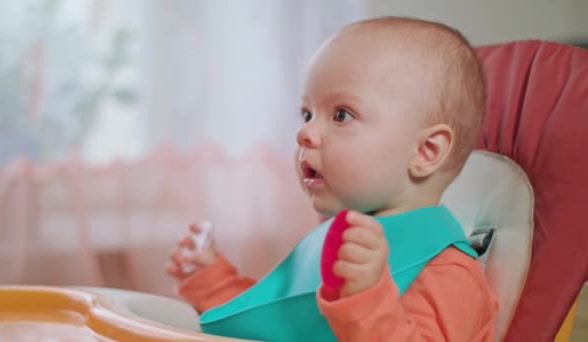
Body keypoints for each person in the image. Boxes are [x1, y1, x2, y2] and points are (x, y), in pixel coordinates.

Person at [166, 16, 499, 341]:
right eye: (307, 113)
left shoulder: (450, 274)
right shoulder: (331, 238)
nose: (305, 132)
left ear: (425, 151)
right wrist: (209, 279)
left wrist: (367, 299)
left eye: (341, 115)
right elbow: (281, 323)